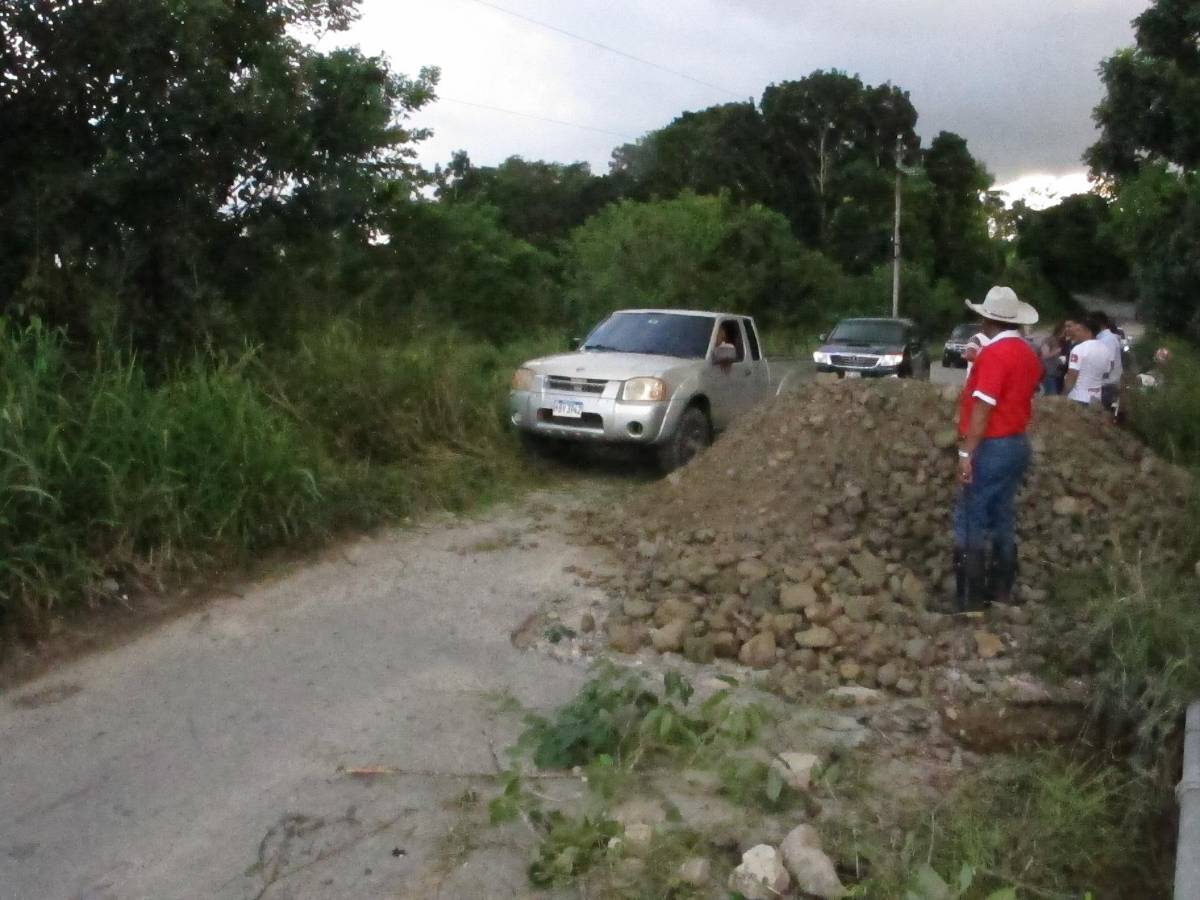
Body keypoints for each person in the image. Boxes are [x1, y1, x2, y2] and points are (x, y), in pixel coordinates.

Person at [954, 286, 1043, 610]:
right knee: (1002, 513)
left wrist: (966, 453)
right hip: (1017, 443)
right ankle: (1001, 591)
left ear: (986, 320)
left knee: (971, 514)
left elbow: (983, 407)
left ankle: (970, 600)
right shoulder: (1027, 354)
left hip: (992, 444)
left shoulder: (994, 355)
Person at [1063, 316, 1113, 408]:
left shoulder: (1078, 349)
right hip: (1096, 398)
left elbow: (1072, 375)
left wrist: (1063, 395)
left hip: (1078, 397)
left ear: (1088, 332)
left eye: (1078, 330)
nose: (1075, 333)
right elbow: (1107, 371)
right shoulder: (1105, 349)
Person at [1092, 311, 1124, 412]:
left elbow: (1108, 365)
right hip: (1105, 386)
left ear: (1099, 324)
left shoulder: (1107, 340)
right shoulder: (1105, 339)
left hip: (1107, 386)